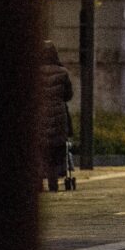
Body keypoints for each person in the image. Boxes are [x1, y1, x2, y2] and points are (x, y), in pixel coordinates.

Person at [41, 42, 74, 191]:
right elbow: (68, 95)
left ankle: (38, 183)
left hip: (39, 115)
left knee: (39, 149)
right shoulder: (63, 72)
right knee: (55, 150)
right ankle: (53, 183)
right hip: (58, 116)